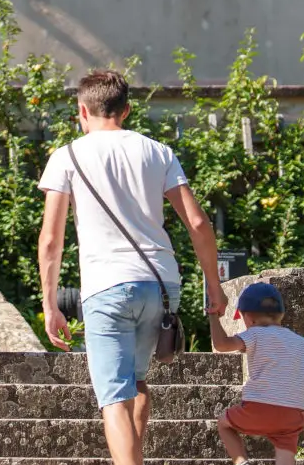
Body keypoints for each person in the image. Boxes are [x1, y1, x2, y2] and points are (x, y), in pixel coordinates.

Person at [37, 69, 226, 465]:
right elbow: (197, 222)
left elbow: (51, 239)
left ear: (82, 111)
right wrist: (214, 284)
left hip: (106, 285)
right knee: (137, 382)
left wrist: (50, 303)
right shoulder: (158, 152)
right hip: (160, 284)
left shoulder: (66, 156)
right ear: (126, 110)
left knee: (113, 397)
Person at [209, 283, 304, 465]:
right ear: (281, 314)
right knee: (286, 453)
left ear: (248, 318)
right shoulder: (301, 342)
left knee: (224, 423)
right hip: (293, 413)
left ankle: (242, 462)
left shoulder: (254, 334)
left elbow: (221, 345)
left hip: (259, 407)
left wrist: (213, 316)